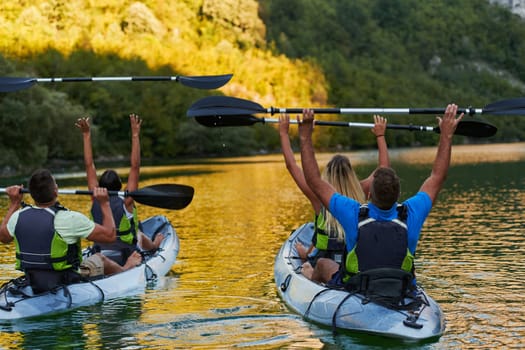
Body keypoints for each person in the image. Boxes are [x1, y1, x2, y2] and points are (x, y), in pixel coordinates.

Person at [297, 104, 464, 287]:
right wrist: (446, 135)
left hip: (358, 288)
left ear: (370, 194)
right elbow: (438, 177)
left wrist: (305, 135)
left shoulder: (353, 213)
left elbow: (314, 180)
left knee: (323, 264)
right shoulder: (411, 213)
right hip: (400, 288)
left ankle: (311, 280)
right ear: (399, 193)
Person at [279, 113, 390, 280]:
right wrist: (380, 136)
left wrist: (284, 133)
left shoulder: (319, 196)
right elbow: (384, 169)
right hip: (353, 266)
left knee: (308, 265)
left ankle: (307, 261)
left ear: (328, 175)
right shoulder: (363, 190)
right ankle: (307, 255)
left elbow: (292, 165)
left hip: (325, 267)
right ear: (350, 174)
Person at [0, 169, 142, 293]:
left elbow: (3, 237)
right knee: (100, 257)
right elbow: (110, 236)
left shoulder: (18, 216)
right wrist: (104, 203)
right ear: (55, 191)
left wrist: (14, 203)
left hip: (33, 279)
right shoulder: (70, 218)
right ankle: (126, 269)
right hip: (65, 279)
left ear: (31, 194)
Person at [75, 114, 163, 266]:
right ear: (120, 186)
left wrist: (86, 135)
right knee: (138, 234)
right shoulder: (127, 200)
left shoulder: (95, 197)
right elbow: (135, 167)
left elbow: (89, 165)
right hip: (126, 255)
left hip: (100, 252)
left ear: (100, 186)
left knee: (136, 233)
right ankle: (154, 246)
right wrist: (135, 135)